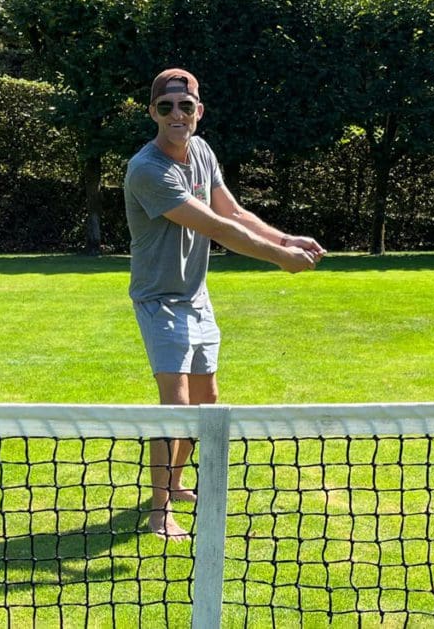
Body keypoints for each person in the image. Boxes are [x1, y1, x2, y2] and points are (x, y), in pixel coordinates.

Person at [123, 68, 326, 539]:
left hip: (196, 295)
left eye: (186, 105)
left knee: (206, 402)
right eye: (166, 106)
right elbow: (215, 227)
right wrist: (280, 258)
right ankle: (159, 511)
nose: (177, 114)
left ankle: (174, 485)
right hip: (161, 301)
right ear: (153, 112)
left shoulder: (202, 152)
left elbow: (233, 211)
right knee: (173, 408)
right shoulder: (148, 169)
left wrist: (285, 236)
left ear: (199, 111)